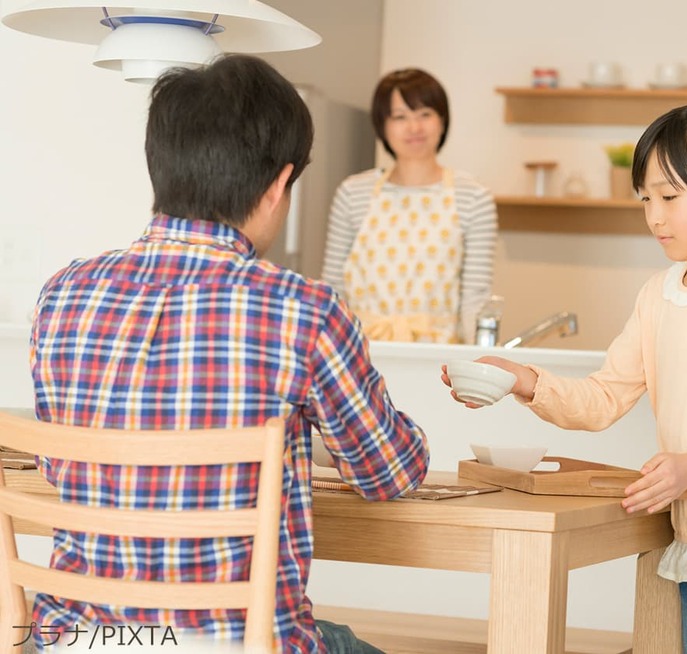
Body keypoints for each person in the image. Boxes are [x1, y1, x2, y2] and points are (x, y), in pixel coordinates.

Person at [27, 54, 428, 654]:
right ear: (275, 187)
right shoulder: (305, 310)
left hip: (76, 641)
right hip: (229, 642)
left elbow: (61, 468)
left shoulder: (63, 294)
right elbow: (389, 472)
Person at [442, 103, 687, 653]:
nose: (655, 216)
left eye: (671, 197)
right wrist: (524, 381)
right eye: (646, 199)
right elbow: (604, 398)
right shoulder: (659, 296)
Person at [322, 68, 497, 344]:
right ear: (383, 126)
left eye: (425, 114)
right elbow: (333, 287)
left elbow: (475, 295)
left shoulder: (474, 197)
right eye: (400, 117)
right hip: (360, 349)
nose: (414, 128)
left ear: (442, 121)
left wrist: (476, 362)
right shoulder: (353, 192)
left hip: (440, 359)